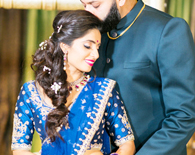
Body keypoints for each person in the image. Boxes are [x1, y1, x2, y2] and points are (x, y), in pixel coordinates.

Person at [73, 0, 195, 155]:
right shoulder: (93, 35)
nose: (88, 13)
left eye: (95, 5)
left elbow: (184, 115)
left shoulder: (168, 30)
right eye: (84, 5)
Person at [11, 10, 135, 155]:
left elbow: (127, 144)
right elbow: (20, 149)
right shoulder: (31, 92)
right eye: (88, 46)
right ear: (64, 46)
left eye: (98, 47)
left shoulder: (104, 89)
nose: (96, 54)